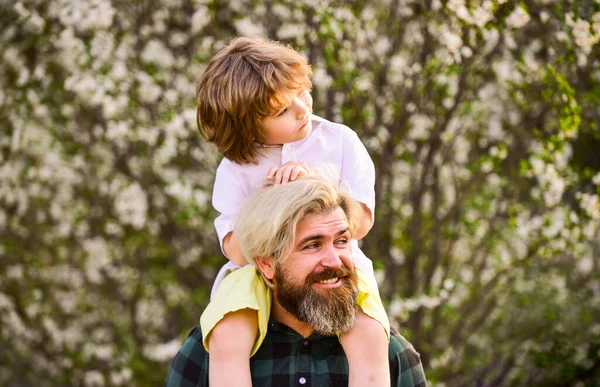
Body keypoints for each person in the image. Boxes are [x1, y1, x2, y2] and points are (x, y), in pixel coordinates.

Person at [195, 37, 390, 386]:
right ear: (247, 126)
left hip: (339, 260)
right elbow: (238, 251)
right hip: (255, 273)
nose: (303, 109)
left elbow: (359, 224)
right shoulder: (236, 168)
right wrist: (273, 206)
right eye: (282, 110)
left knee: (369, 335)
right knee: (227, 337)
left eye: (302, 91)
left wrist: (315, 186)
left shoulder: (339, 141)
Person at [166, 177, 427, 386]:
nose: (334, 260)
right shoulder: (208, 353)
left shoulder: (390, 355)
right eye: (313, 245)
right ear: (267, 263)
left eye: (342, 241)